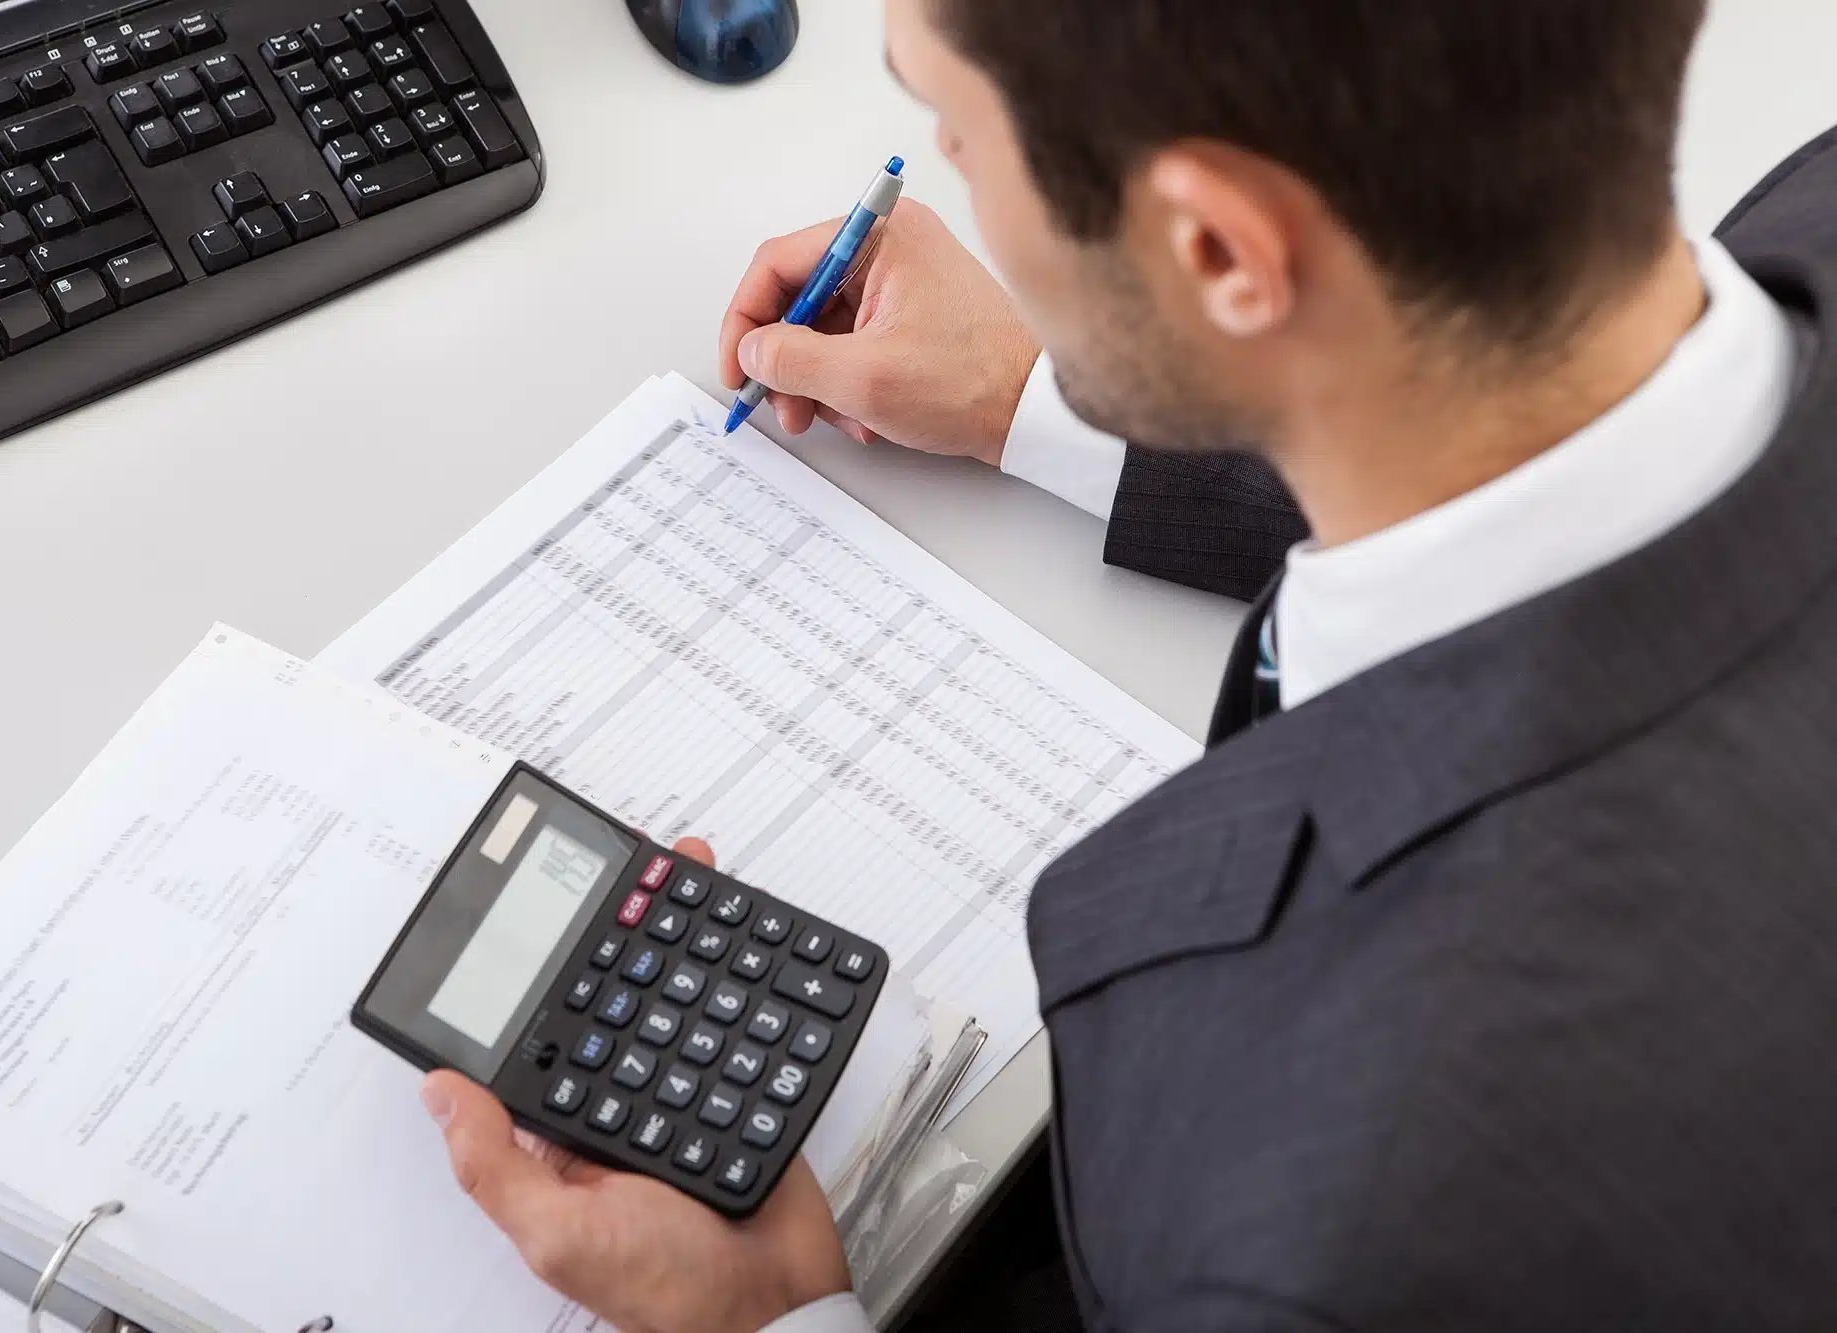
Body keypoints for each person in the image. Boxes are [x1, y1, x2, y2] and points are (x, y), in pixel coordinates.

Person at [417, 0, 1837, 1328]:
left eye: (956, 132)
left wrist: (786, 1313)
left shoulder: (1320, 1232)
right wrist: (1049, 399)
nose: (945, 171)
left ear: (1219, 255)